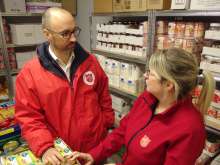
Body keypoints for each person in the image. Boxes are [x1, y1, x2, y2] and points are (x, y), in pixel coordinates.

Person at [69, 48, 215, 165]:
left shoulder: (189, 129)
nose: (145, 76)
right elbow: (122, 131)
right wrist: (94, 155)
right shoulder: (147, 99)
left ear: (168, 84)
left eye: (150, 73)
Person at [15, 7, 114, 165]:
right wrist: (45, 147)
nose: (73, 38)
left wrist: (106, 125)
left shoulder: (90, 62)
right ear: (47, 34)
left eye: (74, 31)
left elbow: (104, 96)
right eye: (65, 33)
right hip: (62, 155)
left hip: (95, 150)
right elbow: (29, 118)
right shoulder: (30, 74)